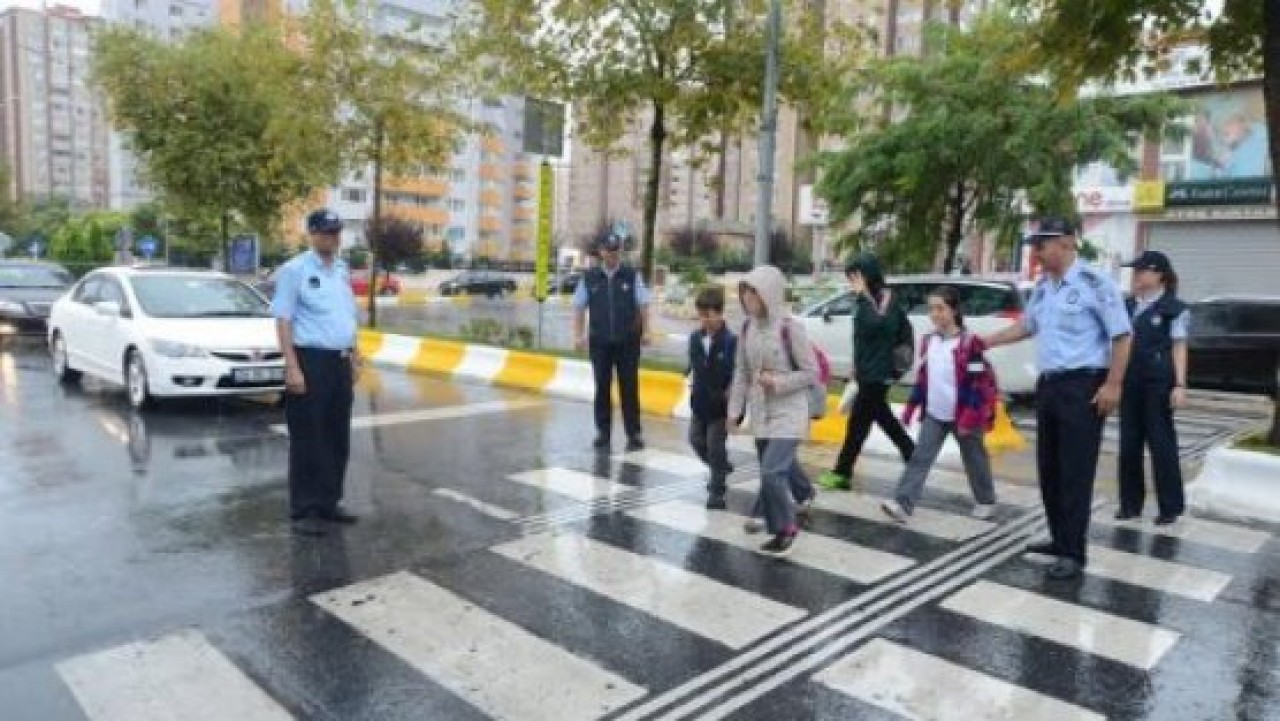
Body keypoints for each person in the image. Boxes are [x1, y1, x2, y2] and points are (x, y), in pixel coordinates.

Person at [984, 217, 1132, 580]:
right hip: (1050, 385)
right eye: (1035, 244)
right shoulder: (1044, 288)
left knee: (1075, 472)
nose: (1036, 251)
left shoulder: (1095, 284)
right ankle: (1058, 538)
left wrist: (1113, 385)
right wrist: (985, 342)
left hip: (1083, 386)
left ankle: (1074, 552)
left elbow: (1122, 336)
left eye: (1043, 243)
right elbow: (1026, 326)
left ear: (1066, 243)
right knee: (1049, 468)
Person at [272, 209, 361, 537]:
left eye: (336, 232)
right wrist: (292, 366)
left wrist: (354, 354)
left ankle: (328, 501)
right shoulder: (294, 270)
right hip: (309, 361)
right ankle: (304, 509)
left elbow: (347, 314)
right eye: (326, 232)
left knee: (337, 437)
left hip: (339, 362)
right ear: (311, 233)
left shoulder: (341, 270)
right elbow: (284, 319)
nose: (333, 238)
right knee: (309, 438)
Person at [882, 286, 999, 524]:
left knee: (974, 457)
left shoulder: (970, 344)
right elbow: (925, 378)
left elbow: (978, 384)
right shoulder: (929, 341)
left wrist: (969, 417)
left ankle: (986, 500)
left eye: (941, 309)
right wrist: (912, 407)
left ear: (954, 310)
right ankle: (903, 505)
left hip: (964, 414)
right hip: (935, 413)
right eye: (931, 309)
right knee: (919, 457)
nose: (935, 314)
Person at [729, 265, 817, 557]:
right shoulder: (746, 328)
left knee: (771, 471)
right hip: (760, 412)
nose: (746, 297)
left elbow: (810, 373)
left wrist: (777, 382)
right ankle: (805, 492)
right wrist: (734, 410)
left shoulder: (791, 329)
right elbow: (741, 372)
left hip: (790, 411)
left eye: (752, 291)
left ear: (768, 293)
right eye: (744, 291)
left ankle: (785, 529)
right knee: (779, 465)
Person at [817, 253, 916, 491]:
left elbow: (877, 325)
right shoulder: (866, 299)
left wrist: (862, 295)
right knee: (869, 422)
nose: (852, 283)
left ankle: (843, 472)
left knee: (864, 424)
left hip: (879, 373)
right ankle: (911, 456)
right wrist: (856, 367)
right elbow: (863, 337)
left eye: (854, 277)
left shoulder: (885, 298)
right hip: (867, 372)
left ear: (866, 275)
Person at [1117, 250, 1189, 525]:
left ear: (1159, 275)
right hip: (1129, 382)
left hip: (1158, 384)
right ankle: (1130, 504)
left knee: (1161, 445)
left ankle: (1170, 506)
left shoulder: (1174, 309)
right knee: (1129, 444)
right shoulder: (1127, 305)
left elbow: (1180, 346)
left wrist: (1180, 385)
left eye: (1142, 271)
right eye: (1134, 271)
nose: (1136, 276)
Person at [573, 232, 651, 451]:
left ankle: (633, 433)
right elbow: (579, 307)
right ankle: (603, 432)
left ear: (620, 252)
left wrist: (646, 332)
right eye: (608, 250)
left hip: (628, 342)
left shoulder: (631, 276)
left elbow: (644, 304)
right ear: (601, 252)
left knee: (629, 387)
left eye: (616, 250)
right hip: (600, 343)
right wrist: (578, 335)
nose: (612, 255)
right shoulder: (589, 278)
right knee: (602, 387)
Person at [687, 286, 736, 510]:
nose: (704, 320)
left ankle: (717, 491)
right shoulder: (695, 338)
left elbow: (736, 374)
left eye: (708, 315)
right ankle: (721, 467)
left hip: (721, 407)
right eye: (701, 315)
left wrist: (732, 402)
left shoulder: (730, 341)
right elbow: (695, 368)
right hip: (699, 403)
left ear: (719, 313)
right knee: (696, 440)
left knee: (715, 446)